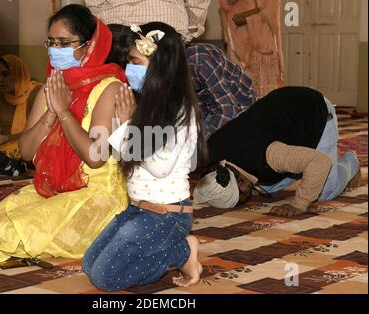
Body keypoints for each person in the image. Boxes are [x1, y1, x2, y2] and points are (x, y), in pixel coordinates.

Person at [0, 4, 129, 264]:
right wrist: (51, 112)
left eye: (65, 43)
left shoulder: (109, 88)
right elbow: (28, 151)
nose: (56, 50)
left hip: (96, 194)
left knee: (19, 234)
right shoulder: (52, 85)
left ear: (89, 46)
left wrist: (64, 111)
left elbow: (95, 157)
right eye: (51, 42)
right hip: (54, 188)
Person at [83, 22, 206, 292]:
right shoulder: (145, 104)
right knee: (89, 265)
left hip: (166, 215)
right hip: (136, 208)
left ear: (159, 65)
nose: (130, 70)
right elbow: (120, 154)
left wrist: (127, 124)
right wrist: (123, 123)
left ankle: (181, 252)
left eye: (137, 62)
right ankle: (174, 249)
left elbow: (160, 167)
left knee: (106, 279)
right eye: (130, 62)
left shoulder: (181, 112)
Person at [193, 86, 361, 217]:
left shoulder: (267, 155)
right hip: (283, 112)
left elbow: (320, 161)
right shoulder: (210, 153)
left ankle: (350, 162)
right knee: (270, 187)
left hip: (316, 113)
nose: (247, 198)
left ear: (242, 183)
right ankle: (301, 164)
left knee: (325, 191)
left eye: (243, 197)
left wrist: (299, 204)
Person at [107, 24, 256, 139]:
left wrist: (199, 144)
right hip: (200, 114)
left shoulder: (200, 59)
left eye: (135, 63)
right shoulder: (156, 79)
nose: (130, 71)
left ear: (159, 59)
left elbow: (228, 109)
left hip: (240, 109)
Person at [85, 0, 211, 43]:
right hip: (169, 23)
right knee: (168, 94)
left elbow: (95, 4)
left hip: (118, 24)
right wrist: (187, 32)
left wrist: (106, 27)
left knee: (119, 91)